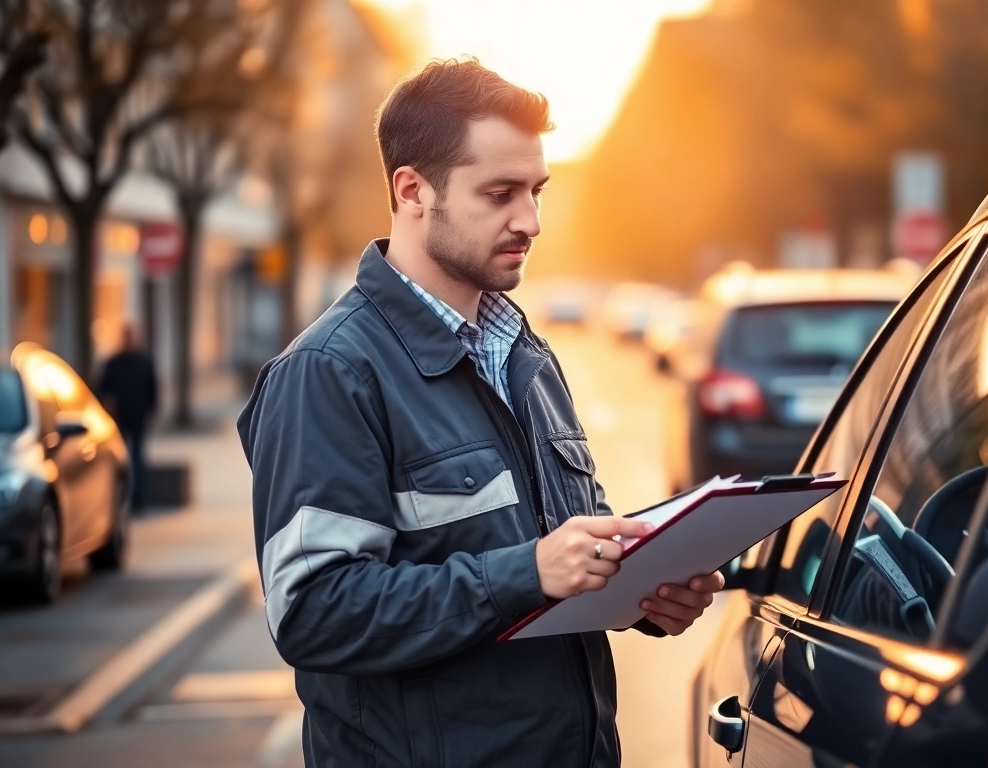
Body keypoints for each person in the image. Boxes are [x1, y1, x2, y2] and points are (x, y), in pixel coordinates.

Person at [237, 59, 725, 768]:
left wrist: (643, 594)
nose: (529, 220)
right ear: (413, 191)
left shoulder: (526, 357)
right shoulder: (329, 374)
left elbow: (564, 557)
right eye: (499, 193)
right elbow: (314, 612)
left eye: (535, 191)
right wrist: (523, 572)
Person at [97, 323, 158, 511]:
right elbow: (103, 390)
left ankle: (139, 499)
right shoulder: (113, 363)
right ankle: (121, 498)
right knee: (120, 460)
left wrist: (151, 410)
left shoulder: (144, 362)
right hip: (119, 419)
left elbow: (153, 388)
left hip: (138, 417)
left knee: (138, 458)